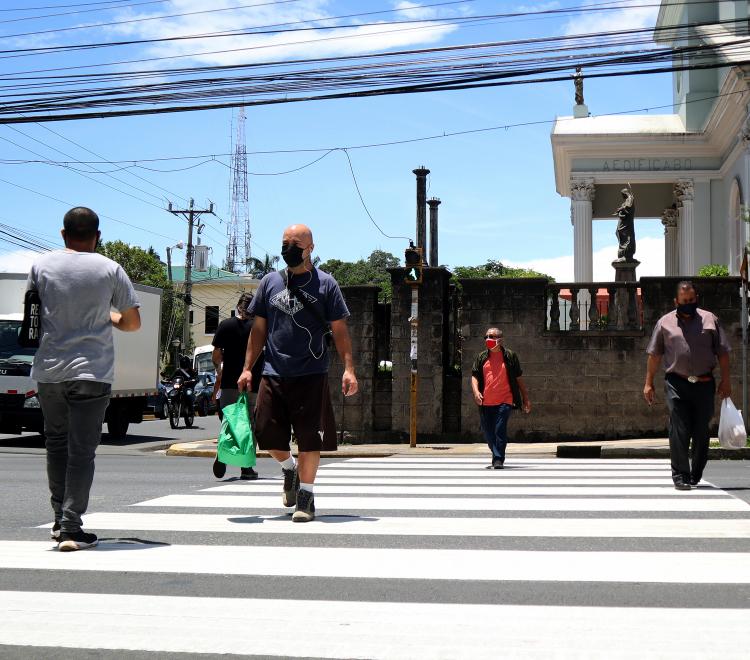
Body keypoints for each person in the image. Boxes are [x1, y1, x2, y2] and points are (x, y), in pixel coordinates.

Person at [29, 207, 141, 551]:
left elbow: (32, 318)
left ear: (63, 234)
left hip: (49, 370)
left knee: (56, 445)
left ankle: (59, 520)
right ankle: (70, 526)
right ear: (98, 235)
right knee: (82, 451)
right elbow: (132, 322)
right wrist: (108, 317)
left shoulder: (41, 266)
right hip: (92, 372)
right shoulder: (110, 268)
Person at [238, 223, 358, 522]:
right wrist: (246, 368)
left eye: (296, 243)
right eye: (285, 242)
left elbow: (340, 330)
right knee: (266, 434)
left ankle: (306, 496)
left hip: (311, 372)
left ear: (311, 249)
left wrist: (349, 370)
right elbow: (259, 330)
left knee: (309, 439)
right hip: (274, 371)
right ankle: (289, 469)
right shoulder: (269, 282)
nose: (288, 248)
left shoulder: (326, 284)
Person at [644, 281, 731, 490]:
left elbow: (723, 353)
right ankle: (680, 475)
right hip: (677, 383)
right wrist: (648, 383)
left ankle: (696, 473)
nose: (688, 304)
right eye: (684, 301)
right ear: (676, 301)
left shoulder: (710, 320)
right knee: (679, 429)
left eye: (691, 300)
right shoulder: (664, 323)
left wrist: (726, 380)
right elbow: (654, 355)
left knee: (701, 431)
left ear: (696, 298)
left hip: (704, 383)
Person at [211, 292, 259, 480]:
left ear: (239, 307)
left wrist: (219, 370)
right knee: (249, 425)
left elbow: (216, 355)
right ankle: (246, 467)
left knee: (230, 421)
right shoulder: (259, 327)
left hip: (230, 382)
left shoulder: (225, 325)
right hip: (253, 383)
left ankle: (223, 453)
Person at [470, 327, 531, 469]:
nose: (488, 339)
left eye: (491, 336)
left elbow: (518, 378)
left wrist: (525, 398)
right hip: (486, 401)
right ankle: (495, 451)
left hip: (505, 400)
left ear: (500, 339)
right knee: (488, 433)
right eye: (486, 337)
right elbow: (474, 376)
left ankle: (498, 459)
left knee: (499, 429)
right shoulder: (481, 357)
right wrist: (476, 392)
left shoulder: (510, 356)